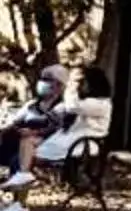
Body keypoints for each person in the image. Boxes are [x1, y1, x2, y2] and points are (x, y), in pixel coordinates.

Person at [0, 63, 110, 203]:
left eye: (81, 82)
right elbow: (15, 122)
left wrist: (70, 87)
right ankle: (23, 175)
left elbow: (69, 109)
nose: (80, 85)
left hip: (78, 145)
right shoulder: (33, 104)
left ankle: (19, 203)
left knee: (19, 158)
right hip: (63, 140)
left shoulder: (99, 104)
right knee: (26, 142)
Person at [0, 62, 68, 178]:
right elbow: (15, 122)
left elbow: (57, 129)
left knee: (16, 161)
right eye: (42, 79)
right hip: (15, 141)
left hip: (41, 146)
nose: (43, 82)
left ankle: (19, 194)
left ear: (60, 85)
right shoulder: (31, 105)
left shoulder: (62, 107)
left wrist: (35, 132)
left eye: (48, 79)